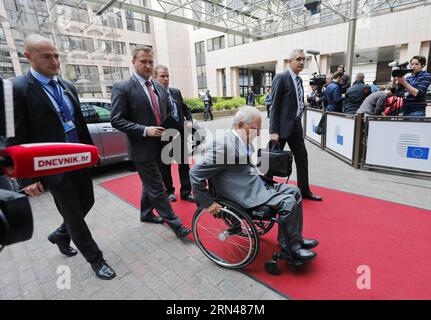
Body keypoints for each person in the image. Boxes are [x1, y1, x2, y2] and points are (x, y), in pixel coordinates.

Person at [7, 35, 116, 280]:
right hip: (52, 164)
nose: (55, 61)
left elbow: (79, 124)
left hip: (77, 158)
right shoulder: (16, 89)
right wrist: (26, 177)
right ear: (28, 56)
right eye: (47, 56)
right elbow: (13, 137)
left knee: (86, 202)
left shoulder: (68, 86)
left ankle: (60, 235)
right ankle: (96, 260)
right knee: (74, 215)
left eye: (56, 55)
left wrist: (91, 153)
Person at [190, 107, 319, 261]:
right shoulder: (223, 146)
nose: (258, 134)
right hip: (242, 194)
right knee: (288, 202)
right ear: (240, 125)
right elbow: (195, 174)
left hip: (252, 185)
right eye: (255, 129)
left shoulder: (240, 139)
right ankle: (291, 247)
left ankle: (295, 239)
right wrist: (207, 203)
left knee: (294, 191)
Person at [110, 46, 191, 239]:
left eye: (150, 62)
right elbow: (116, 120)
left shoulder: (158, 88)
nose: (147, 65)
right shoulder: (122, 88)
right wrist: (145, 130)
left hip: (161, 145)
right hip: (141, 148)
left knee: (150, 183)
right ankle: (176, 225)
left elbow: (162, 115)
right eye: (143, 62)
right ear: (133, 62)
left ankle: (146, 213)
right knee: (157, 186)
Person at [269, 49, 322, 201]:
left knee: (302, 158)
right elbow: (275, 106)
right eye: (298, 59)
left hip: (296, 127)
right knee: (272, 160)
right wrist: (273, 130)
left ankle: (304, 191)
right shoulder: (281, 78)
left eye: (303, 59)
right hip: (281, 128)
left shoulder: (298, 80)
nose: (301, 62)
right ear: (290, 61)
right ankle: (265, 189)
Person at [154, 65, 195, 203]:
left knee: (183, 164)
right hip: (164, 135)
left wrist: (189, 120)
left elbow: (185, 108)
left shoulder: (176, 92)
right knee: (165, 165)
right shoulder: (153, 95)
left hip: (180, 133)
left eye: (167, 76)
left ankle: (186, 192)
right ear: (155, 78)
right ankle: (169, 191)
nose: (166, 79)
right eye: (162, 76)